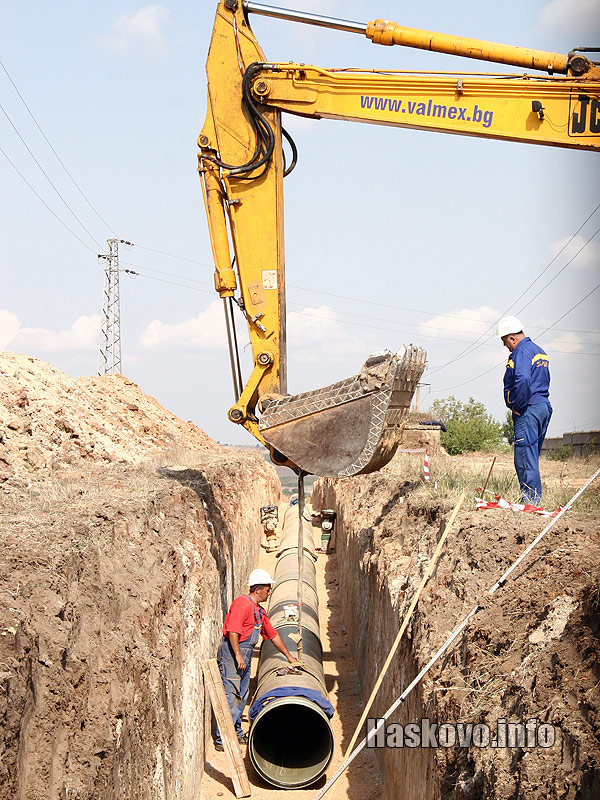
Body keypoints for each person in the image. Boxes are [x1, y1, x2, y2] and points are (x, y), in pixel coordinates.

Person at [214, 568, 298, 751]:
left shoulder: (259, 612)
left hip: (244, 654)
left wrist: (290, 657)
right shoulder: (242, 604)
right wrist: (237, 655)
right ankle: (223, 739)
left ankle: (236, 731)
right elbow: (233, 631)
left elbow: (273, 635)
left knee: (242, 694)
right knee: (231, 693)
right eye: (268, 589)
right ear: (258, 589)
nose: (269, 592)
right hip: (232, 652)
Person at [497, 315, 552, 506]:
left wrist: (517, 406)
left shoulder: (521, 352)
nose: (505, 346)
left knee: (525, 458)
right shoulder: (539, 351)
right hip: (542, 407)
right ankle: (532, 499)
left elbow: (523, 379)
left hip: (528, 410)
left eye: (505, 342)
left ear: (512, 338)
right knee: (532, 457)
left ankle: (530, 502)